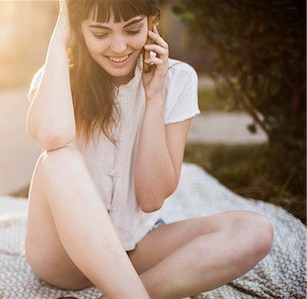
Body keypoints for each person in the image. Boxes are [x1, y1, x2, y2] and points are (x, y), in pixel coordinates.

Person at [24, 0, 273, 298]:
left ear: (152, 23)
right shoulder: (58, 77)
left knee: (255, 231)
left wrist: (154, 96)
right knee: (59, 160)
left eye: (132, 30)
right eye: (101, 34)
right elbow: (53, 136)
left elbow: (152, 197)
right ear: (79, 31)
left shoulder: (178, 79)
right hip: (61, 257)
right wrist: (61, 33)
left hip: (133, 247)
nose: (118, 48)